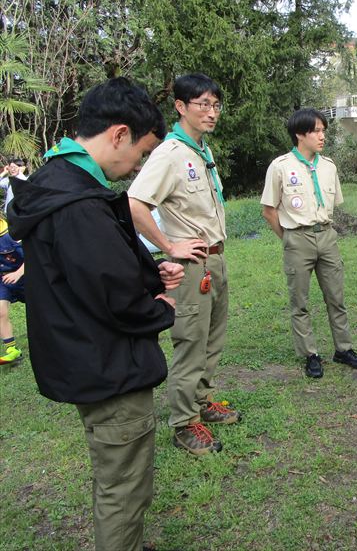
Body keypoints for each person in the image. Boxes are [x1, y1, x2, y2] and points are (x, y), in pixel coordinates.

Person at [7, 77, 184, 551]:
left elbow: (87, 268)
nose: (138, 165)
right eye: (143, 152)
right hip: (106, 365)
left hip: (81, 353)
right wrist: (158, 306)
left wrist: (149, 272)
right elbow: (110, 291)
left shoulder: (55, 179)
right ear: (119, 134)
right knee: (123, 485)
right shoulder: (79, 204)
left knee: (115, 474)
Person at [128, 73, 240, 456]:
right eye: (203, 105)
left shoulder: (200, 151)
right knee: (191, 344)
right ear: (180, 106)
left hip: (215, 260)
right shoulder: (171, 154)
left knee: (212, 338)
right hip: (192, 267)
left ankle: (203, 401)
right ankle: (183, 424)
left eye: (216, 105)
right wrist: (169, 245)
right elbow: (135, 204)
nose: (212, 113)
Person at [261, 108, 357, 378]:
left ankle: (343, 349)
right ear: (300, 134)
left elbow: (333, 204)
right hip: (297, 237)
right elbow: (269, 210)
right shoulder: (281, 167)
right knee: (300, 301)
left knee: (336, 296)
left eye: (324, 131)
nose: (322, 136)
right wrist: (288, 238)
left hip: (327, 235)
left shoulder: (328, 166)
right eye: (316, 131)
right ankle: (310, 354)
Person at [0, 215, 24, 365]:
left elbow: (35, 254)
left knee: (43, 310)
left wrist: (18, 273)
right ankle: (12, 350)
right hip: (3, 280)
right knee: (0, 311)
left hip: (26, 276)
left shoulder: (12, 234)